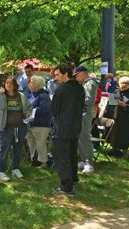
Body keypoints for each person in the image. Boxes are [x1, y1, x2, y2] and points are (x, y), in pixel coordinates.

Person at [50, 63, 85, 196]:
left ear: (66, 74)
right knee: (71, 155)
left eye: (58, 75)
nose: (56, 78)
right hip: (75, 126)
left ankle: (67, 187)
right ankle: (73, 179)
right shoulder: (79, 88)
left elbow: (53, 109)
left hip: (62, 128)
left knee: (62, 157)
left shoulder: (62, 90)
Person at [0, 76, 32, 182]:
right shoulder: (1, 96)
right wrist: (2, 94)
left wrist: (29, 115)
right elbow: (1, 107)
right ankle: (0, 171)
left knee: (18, 149)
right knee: (4, 149)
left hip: (20, 126)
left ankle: (15, 168)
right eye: (6, 83)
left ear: (15, 85)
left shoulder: (21, 96)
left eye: (11, 83)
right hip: (7, 127)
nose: (9, 85)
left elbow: (28, 107)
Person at [74, 66, 98, 174]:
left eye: (77, 75)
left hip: (85, 114)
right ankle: (84, 159)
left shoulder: (90, 83)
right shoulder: (84, 84)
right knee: (79, 137)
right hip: (80, 113)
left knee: (84, 137)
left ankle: (89, 163)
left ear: (83, 73)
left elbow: (88, 100)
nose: (76, 77)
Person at [109, 76, 129, 156]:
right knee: (114, 134)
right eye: (122, 83)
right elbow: (110, 103)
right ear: (119, 83)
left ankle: (125, 151)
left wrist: (125, 106)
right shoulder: (115, 92)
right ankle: (114, 150)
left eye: (126, 83)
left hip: (127, 119)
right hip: (115, 117)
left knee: (125, 135)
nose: (123, 85)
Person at [27, 75, 51, 168]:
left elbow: (44, 109)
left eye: (31, 82)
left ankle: (43, 162)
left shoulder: (44, 95)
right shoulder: (31, 94)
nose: (29, 83)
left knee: (40, 143)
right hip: (31, 123)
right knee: (31, 142)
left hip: (41, 123)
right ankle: (34, 160)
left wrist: (32, 111)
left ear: (37, 84)